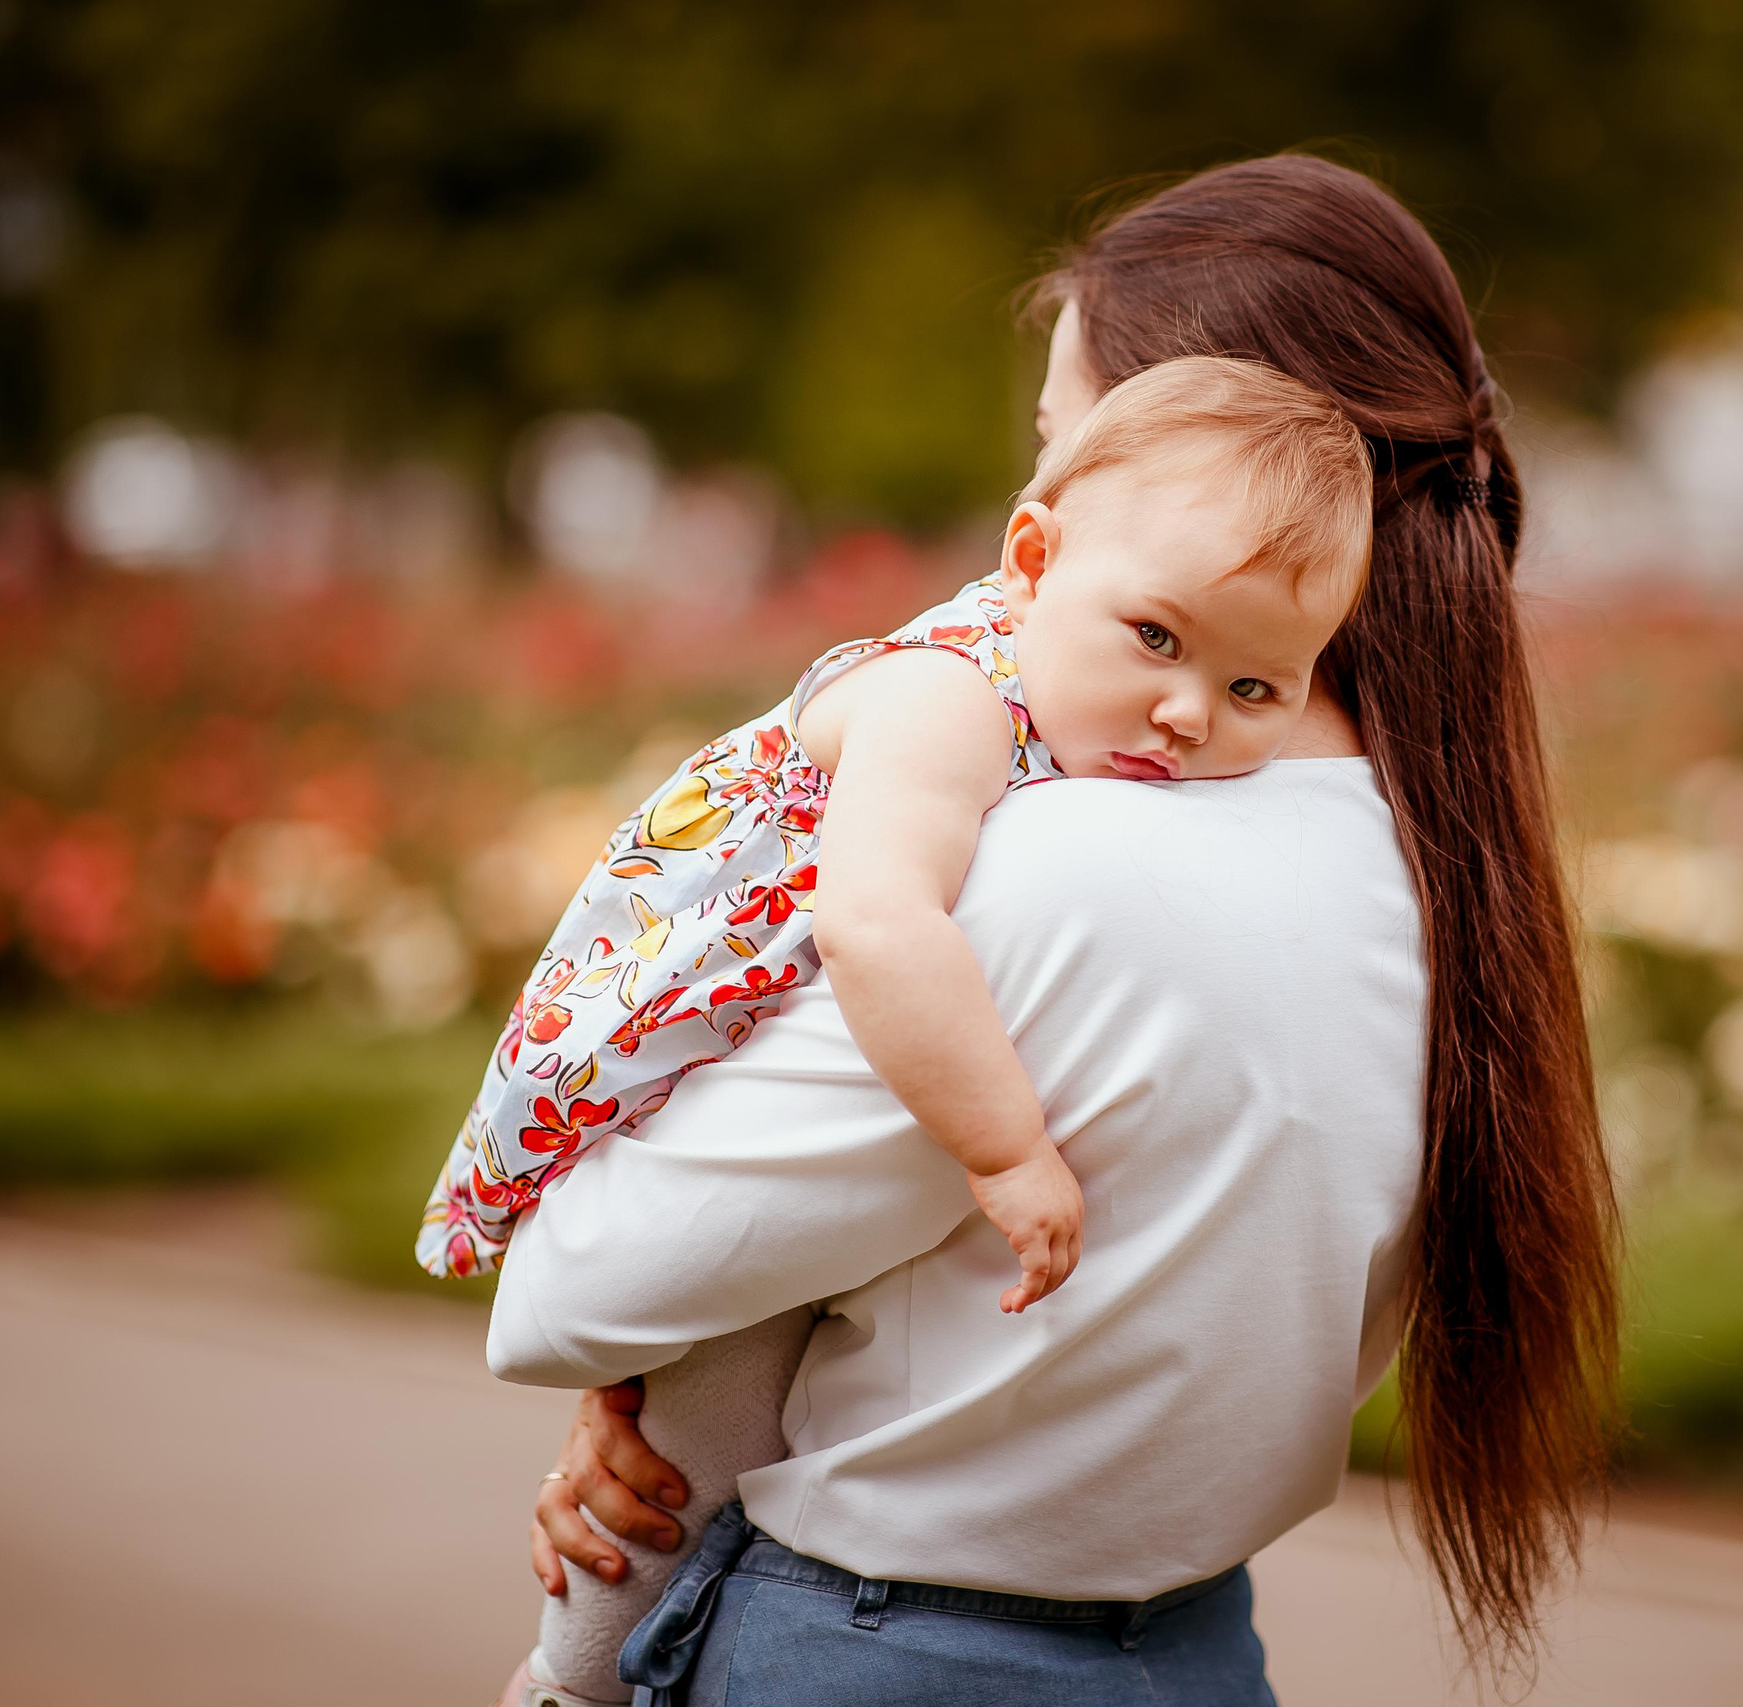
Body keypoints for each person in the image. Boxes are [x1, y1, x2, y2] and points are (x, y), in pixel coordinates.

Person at [511, 153, 1620, 1703]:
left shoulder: (1053, 872)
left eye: (1061, 439)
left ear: (1196, 459)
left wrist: (634, 1389)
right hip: (1195, 1654)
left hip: (889, 1655)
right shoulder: (1453, 869)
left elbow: (576, 1289)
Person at [462, 357, 1374, 1704]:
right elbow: (877, 926)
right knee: (690, 1428)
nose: (1187, 717)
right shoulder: (945, 699)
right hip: (692, 1028)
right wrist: (1008, 1153)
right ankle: (570, 1682)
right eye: (1158, 641)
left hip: (803, 1033)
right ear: (1030, 557)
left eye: (1256, 691)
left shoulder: (1113, 730)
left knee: (700, 1396)